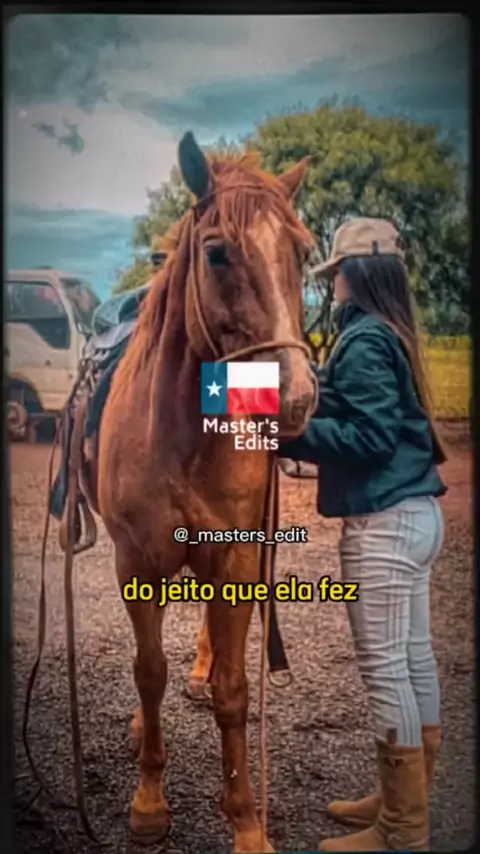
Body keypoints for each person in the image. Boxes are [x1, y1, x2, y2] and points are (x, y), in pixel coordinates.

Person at [279, 217, 447, 852]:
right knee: (413, 659)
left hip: (385, 524)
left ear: (354, 274)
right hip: (413, 517)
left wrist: (280, 435)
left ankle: (403, 830)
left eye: (336, 274)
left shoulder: (366, 339)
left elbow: (370, 439)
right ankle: (408, 798)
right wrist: (223, 393)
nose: (332, 285)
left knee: (386, 670)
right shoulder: (384, 330)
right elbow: (330, 398)